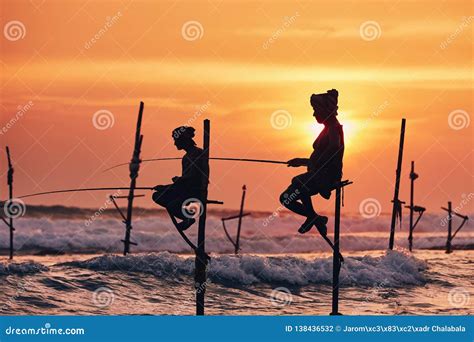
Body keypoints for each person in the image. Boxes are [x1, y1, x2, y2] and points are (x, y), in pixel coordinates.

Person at [280, 89, 344, 235]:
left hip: (327, 177)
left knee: (297, 184)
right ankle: (314, 217)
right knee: (286, 198)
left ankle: (313, 217)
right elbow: (319, 158)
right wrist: (302, 161)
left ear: (325, 110)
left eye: (316, 110)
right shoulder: (327, 128)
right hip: (317, 174)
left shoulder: (334, 127)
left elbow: (334, 146)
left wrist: (317, 163)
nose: (314, 114)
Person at [152, 126, 208, 231]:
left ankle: (188, 218)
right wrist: (164, 187)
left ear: (183, 140)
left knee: (172, 205)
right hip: (185, 189)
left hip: (195, 191)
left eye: (176, 140)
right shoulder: (186, 157)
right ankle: (187, 218)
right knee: (157, 195)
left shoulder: (198, 153)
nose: (175, 143)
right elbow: (184, 181)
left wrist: (179, 180)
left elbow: (193, 178)